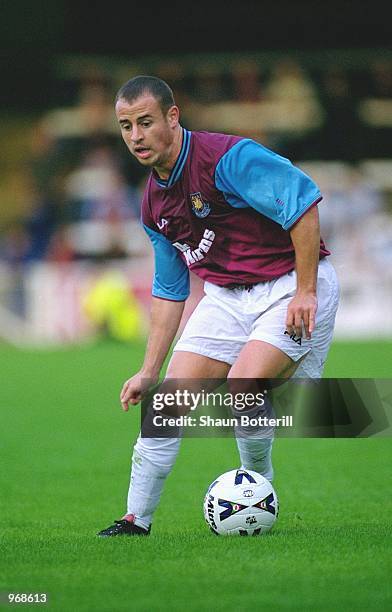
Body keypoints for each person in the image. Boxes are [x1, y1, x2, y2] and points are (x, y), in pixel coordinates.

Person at [97, 75, 339, 537]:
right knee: (167, 401)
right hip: (228, 296)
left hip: (289, 285)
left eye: (145, 122)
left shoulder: (227, 157)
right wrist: (150, 370)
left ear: (173, 116)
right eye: (126, 126)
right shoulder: (152, 205)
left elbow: (302, 200)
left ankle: (259, 482)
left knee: (243, 385)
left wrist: (306, 290)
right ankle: (135, 519)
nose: (135, 136)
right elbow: (170, 291)